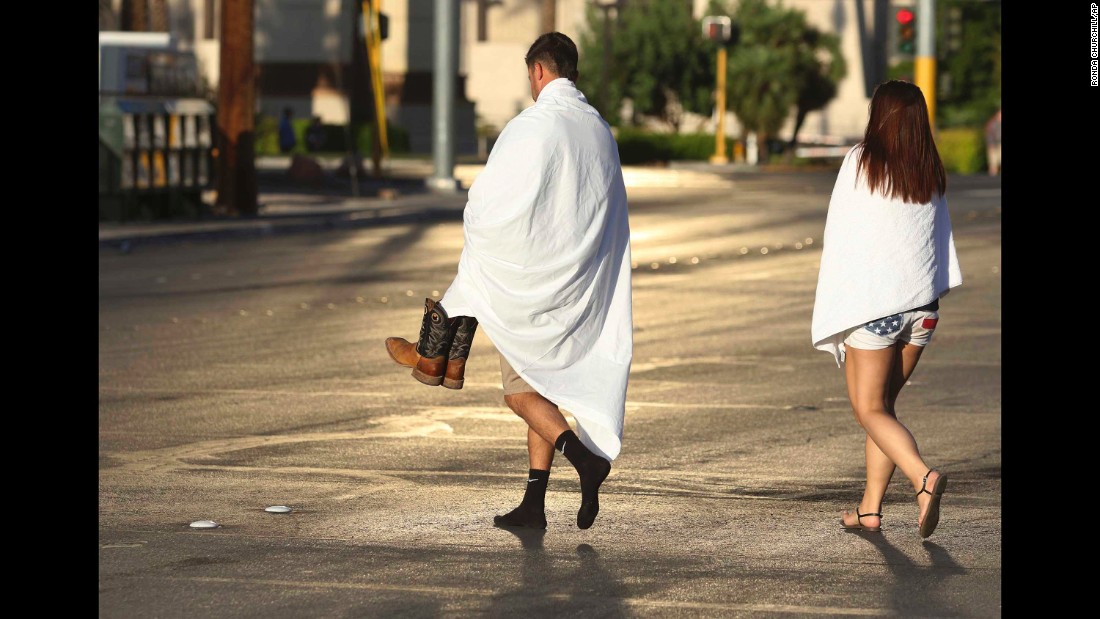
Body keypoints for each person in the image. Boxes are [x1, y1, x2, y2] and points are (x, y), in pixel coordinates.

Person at [384, 32, 633, 531]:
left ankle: (585, 461)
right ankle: (533, 505)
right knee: (543, 388)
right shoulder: (598, 128)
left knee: (520, 395)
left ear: (539, 71)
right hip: (578, 287)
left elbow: (490, 200)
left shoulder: (534, 125)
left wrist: (484, 231)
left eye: (530, 78)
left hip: (536, 290)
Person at [810, 80, 963, 539]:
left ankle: (924, 478)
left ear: (880, 116)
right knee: (885, 408)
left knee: (869, 410)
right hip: (923, 311)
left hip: (878, 310)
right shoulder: (928, 169)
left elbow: (842, 234)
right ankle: (870, 510)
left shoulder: (862, 161)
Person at [984, 108, 1001, 176]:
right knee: (993, 162)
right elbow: (989, 135)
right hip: (994, 145)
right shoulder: (992, 124)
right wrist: (991, 144)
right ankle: (992, 178)